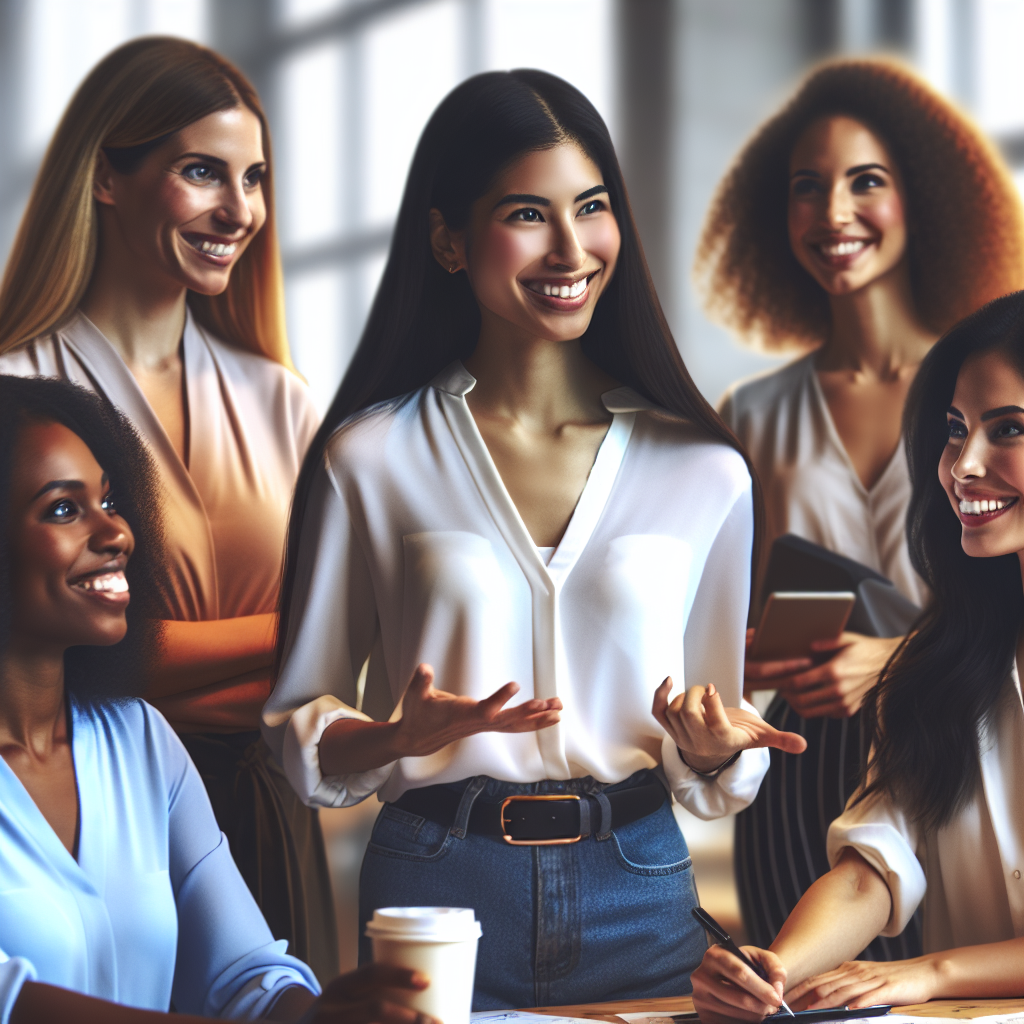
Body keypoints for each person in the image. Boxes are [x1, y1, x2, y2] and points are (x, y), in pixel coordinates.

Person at [262, 69, 807, 1010]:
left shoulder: (705, 471)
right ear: (446, 238)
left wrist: (715, 748)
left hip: (638, 882)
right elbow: (296, 726)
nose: (571, 247)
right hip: (435, 884)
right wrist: (391, 734)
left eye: (591, 208)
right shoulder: (370, 456)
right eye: (527, 212)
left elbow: (714, 759)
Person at [0, 38, 336, 978]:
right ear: (108, 177)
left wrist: (156, 662)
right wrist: (302, 639)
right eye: (202, 173)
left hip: (272, 820)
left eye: (255, 179)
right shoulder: (15, 388)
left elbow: (349, 662)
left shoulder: (284, 400)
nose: (240, 212)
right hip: (83, 804)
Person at [694, 57, 1024, 958]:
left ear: (927, 197)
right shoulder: (753, 414)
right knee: (808, 980)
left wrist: (895, 658)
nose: (834, 212)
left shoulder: (984, 371)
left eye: (865, 181)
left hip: (954, 713)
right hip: (816, 758)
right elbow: (731, 626)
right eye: (809, 188)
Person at [0, 374, 435, 1024]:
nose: (116, 533)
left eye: (110, 500)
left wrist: (311, 1015)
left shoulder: (141, 740)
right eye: (64, 508)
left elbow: (245, 975)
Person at [690, 289, 1024, 1021]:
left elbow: (923, 967)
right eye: (954, 430)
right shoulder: (935, 669)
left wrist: (931, 973)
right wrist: (775, 966)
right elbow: (871, 869)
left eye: (1009, 430)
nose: (964, 465)